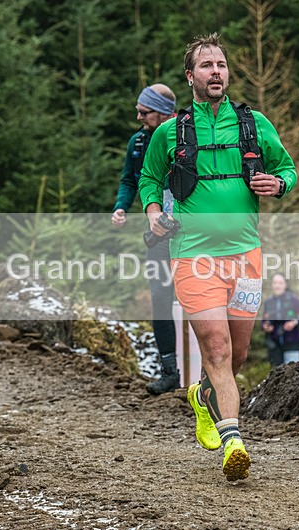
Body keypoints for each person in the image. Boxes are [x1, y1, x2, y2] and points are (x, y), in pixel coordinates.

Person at [138, 33, 297, 481]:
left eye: (222, 65)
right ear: (190, 77)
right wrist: (153, 214)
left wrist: (279, 184)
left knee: (239, 353)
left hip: (245, 256)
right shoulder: (171, 132)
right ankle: (234, 442)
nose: (216, 72)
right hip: (192, 255)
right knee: (217, 346)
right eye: (207, 65)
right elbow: (150, 180)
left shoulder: (254, 124)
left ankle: (203, 396)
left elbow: (287, 169)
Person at [111, 83, 180, 395]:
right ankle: (170, 372)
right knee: (160, 298)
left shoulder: (185, 136)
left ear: (165, 113)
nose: (138, 116)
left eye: (144, 111)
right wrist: (121, 207)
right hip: (158, 234)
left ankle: (209, 372)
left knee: (199, 299)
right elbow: (129, 179)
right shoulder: (138, 142)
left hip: (192, 232)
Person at [261, 273, 299, 366]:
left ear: (285, 285)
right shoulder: (268, 302)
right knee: (277, 375)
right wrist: (265, 326)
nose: (277, 285)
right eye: (275, 283)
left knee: (293, 373)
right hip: (274, 345)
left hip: (292, 342)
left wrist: (294, 322)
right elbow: (264, 321)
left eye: (280, 283)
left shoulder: (293, 299)